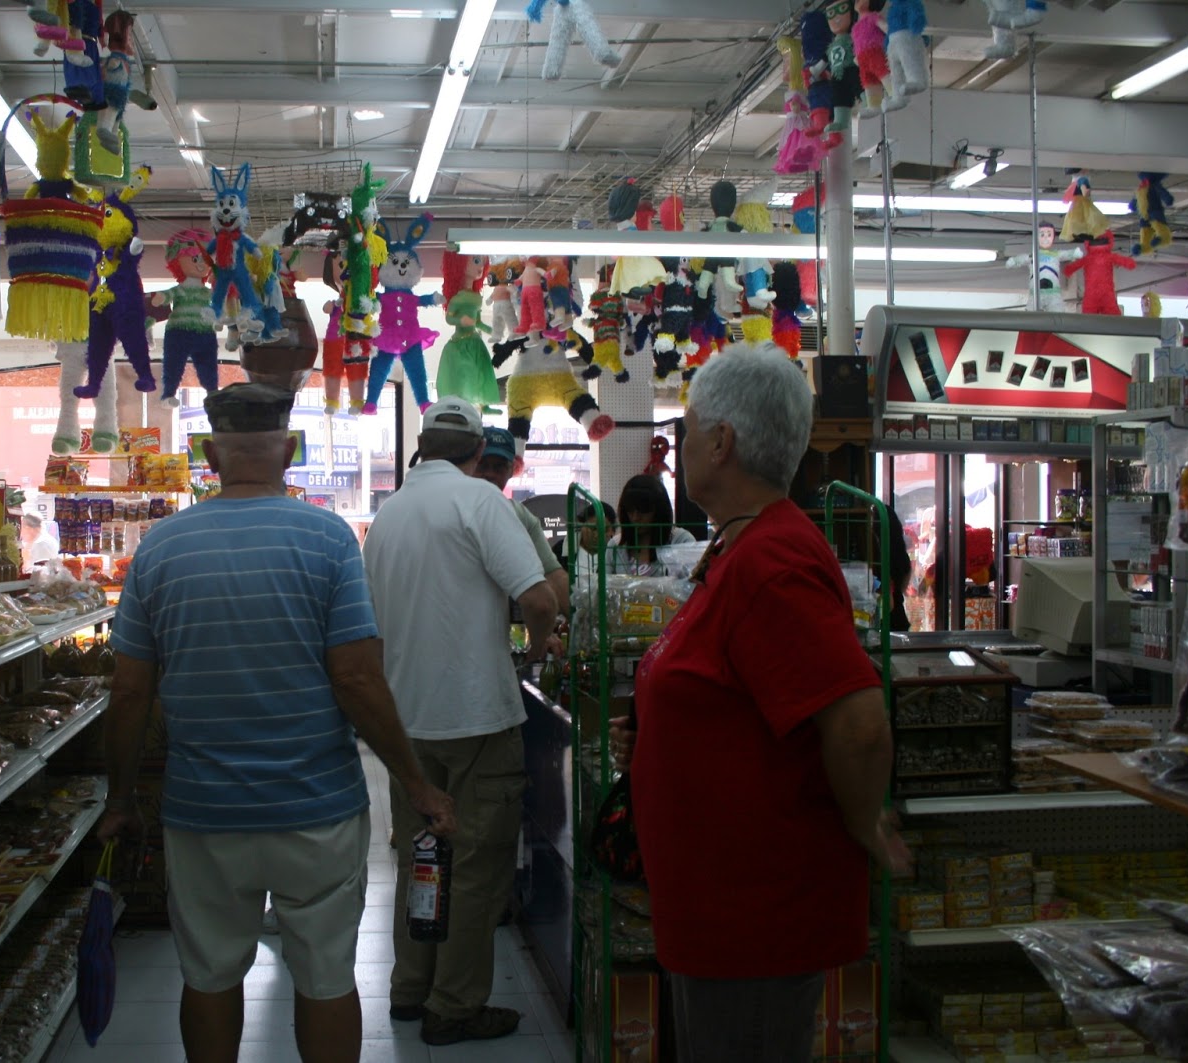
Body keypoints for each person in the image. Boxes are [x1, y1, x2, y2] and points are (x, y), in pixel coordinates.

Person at [98, 382, 456, 1063]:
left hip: (203, 811)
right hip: (317, 808)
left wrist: (120, 798)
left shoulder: (161, 548)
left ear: (209, 455)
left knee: (209, 973)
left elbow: (129, 690)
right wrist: (416, 783)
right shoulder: (328, 539)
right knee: (325, 975)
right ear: (290, 450)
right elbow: (356, 679)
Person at [609, 344, 909, 1062]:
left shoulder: (772, 563)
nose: (680, 447)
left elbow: (860, 725)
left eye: (687, 430)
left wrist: (864, 824)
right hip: (717, 915)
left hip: (754, 921)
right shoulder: (738, 550)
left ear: (722, 442)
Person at [363, 397, 559, 1047]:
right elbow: (539, 597)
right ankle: (454, 1005)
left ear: (421, 448)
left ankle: (410, 988)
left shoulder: (387, 515)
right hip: (477, 715)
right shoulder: (480, 502)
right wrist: (535, 651)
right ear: (478, 451)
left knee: (421, 856)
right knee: (475, 864)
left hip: (406, 723)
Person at [474, 426, 571, 615]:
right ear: (470, 464)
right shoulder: (449, 509)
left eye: (499, 467)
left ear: (512, 470)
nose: (490, 474)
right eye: (482, 465)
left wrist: (585, 621)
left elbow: (553, 574)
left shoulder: (520, 516)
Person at [616, 473, 697, 571]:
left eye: (643, 510)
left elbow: (693, 579)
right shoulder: (616, 546)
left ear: (659, 510)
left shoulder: (682, 541)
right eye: (630, 510)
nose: (635, 518)